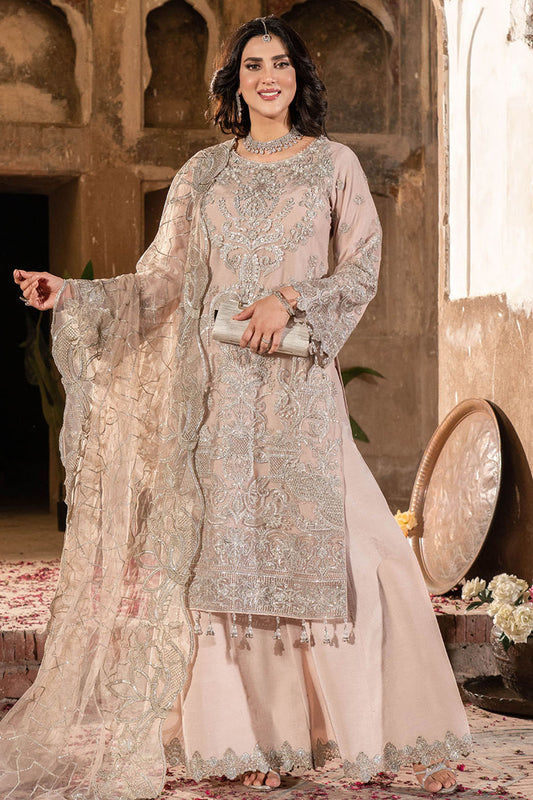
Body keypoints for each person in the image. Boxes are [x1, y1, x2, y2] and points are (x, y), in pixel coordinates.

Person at [4, 15, 470, 799]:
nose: (267, 77)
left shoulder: (333, 166)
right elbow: (162, 283)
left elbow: (361, 267)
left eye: (280, 63)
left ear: (299, 76)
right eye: (252, 64)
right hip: (219, 400)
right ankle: (240, 743)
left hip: (298, 396)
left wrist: (288, 299)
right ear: (233, 80)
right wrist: (75, 295)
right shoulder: (203, 175)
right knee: (228, 567)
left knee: (358, 554)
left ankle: (352, 729)